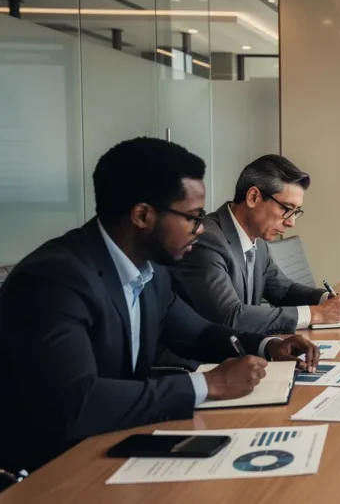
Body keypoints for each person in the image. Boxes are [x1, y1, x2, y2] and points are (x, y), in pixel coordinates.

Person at [0, 138, 321, 473]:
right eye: (193, 218)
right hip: (50, 469)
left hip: (117, 442)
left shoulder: (149, 270)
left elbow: (195, 332)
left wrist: (270, 345)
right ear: (142, 215)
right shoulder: (54, 279)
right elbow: (76, 404)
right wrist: (209, 384)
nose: (201, 230)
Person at [170, 155, 340, 334]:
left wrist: (331, 300)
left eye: (296, 212)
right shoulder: (207, 240)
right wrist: (316, 314)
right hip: (202, 364)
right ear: (253, 197)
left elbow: (284, 291)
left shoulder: (257, 242)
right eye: (287, 209)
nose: (291, 222)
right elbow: (229, 317)